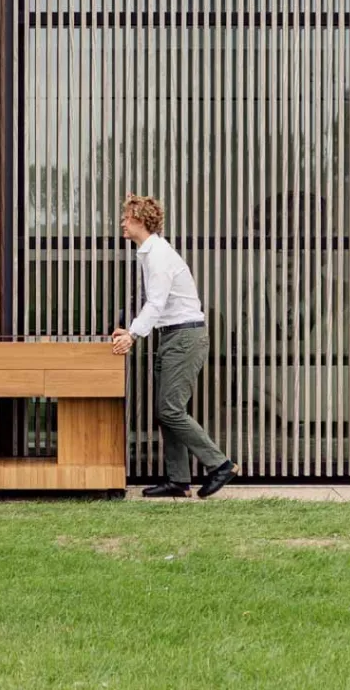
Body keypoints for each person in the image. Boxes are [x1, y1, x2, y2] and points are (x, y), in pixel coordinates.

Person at [112, 193, 237, 498]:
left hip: (184, 337)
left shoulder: (158, 256)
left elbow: (156, 303)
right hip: (172, 336)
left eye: (126, 218)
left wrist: (132, 334)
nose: (122, 223)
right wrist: (132, 329)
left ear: (140, 220)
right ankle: (178, 480)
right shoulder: (148, 253)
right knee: (169, 409)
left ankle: (220, 464)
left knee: (169, 409)